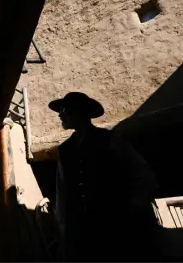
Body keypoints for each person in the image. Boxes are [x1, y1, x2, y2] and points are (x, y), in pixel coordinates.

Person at [49, 92, 161, 262]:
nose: (60, 115)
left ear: (79, 112)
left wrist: (133, 209)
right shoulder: (65, 150)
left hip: (116, 227)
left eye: (64, 110)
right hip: (83, 233)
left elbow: (142, 175)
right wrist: (64, 227)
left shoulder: (111, 141)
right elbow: (63, 191)